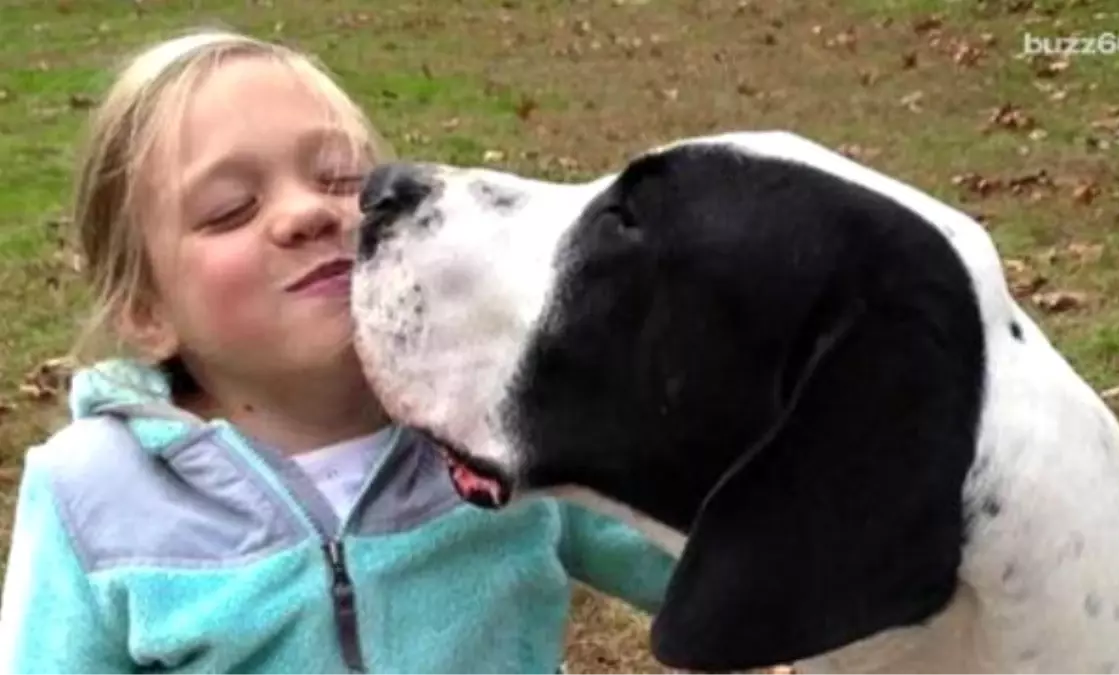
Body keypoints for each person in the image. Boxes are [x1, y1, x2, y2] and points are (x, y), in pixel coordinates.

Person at [0, 29, 675, 674]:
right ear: (147, 312)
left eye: (339, 178)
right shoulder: (90, 493)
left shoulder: (498, 415)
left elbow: (702, 565)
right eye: (231, 208)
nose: (309, 212)